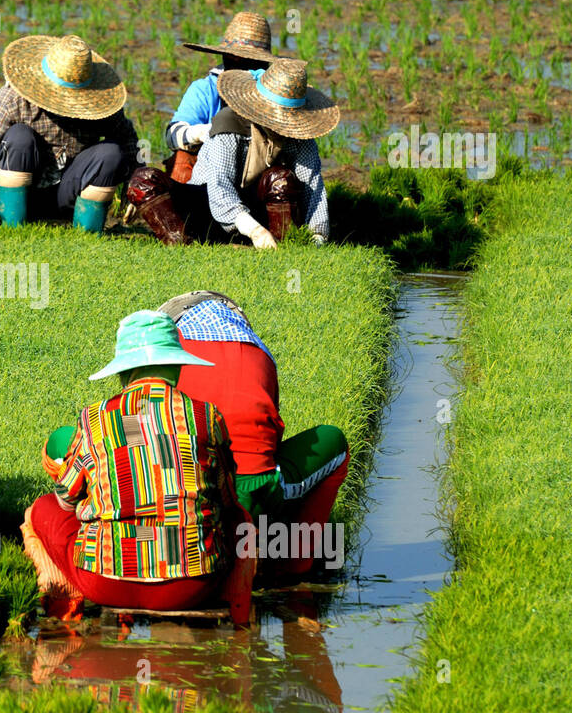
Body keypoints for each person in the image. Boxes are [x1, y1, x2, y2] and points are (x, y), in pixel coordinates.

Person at [20, 311, 254, 623]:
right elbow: (227, 500)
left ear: (123, 372)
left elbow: (66, 500)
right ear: (177, 365)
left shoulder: (96, 419)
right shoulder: (206, 416)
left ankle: (65, 599)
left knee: (41, 510)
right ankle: (238, 609)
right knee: (242, 517)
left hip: (105, 582)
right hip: (192, 585)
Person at [158, 291, 349, 576]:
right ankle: (294, 563)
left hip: (179, 499)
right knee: (335, 442)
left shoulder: (170, 356)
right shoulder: (258, 352)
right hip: (251, 494)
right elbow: (270, 441)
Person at [128, 58, 339, 247]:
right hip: (208, 206)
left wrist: (318, 237)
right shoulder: (229, 123)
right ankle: (184, 246)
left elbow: (313, 188)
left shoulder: (298, 136)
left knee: (280, 179)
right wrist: (254, 231)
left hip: (259, 208)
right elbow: (220, 187)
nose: (281, 124)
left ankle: (279, 246)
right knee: (143, 180)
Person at [0, 34, 143, 232]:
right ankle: (12, 229)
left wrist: (136, 189)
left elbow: (129, 143)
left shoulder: (101, 106)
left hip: (68, 193)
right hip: (23, 184)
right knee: (19, 137)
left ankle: (87, 235)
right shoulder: (11, 101)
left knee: (111, 153)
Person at [164, 11, 281, 182]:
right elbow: (172, 135)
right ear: (226, 57)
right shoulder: (205, 89)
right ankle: (189, 207)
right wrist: (208, 133)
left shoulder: (276, 92)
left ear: (265, 64)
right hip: (211, 172)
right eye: (237, 59)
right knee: (182, 160)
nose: (246, 68)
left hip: (261, 169)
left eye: (253, 61)